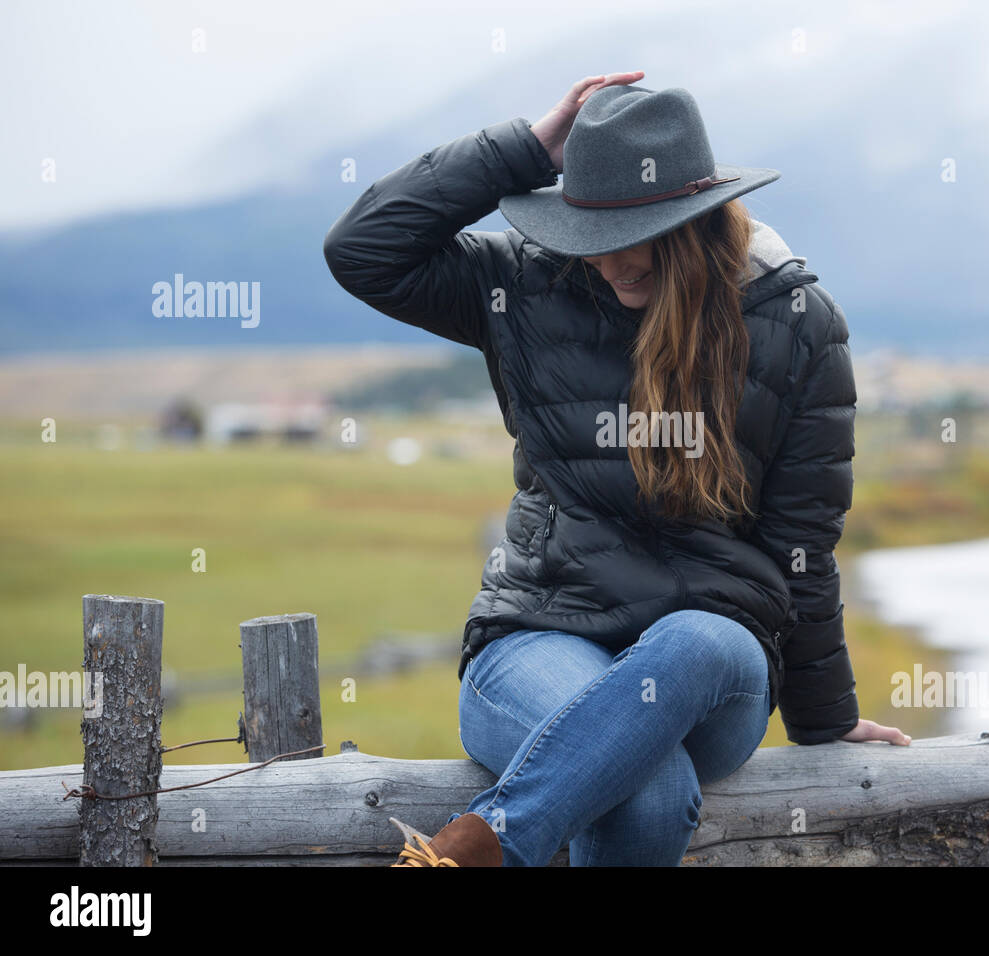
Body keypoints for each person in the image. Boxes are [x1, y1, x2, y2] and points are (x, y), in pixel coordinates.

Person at [323, 72, 910, 868]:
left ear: (693, 221)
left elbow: (802, 544)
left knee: (696, 640)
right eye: (585, 233)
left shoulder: (799, 325)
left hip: (716, 668)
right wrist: (525, 149)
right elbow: (362, 250)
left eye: (627, 234)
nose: (603, 261)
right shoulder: (526, 285)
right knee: (652, 791)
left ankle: (478, 849)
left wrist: (825, 717)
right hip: (542, 633)